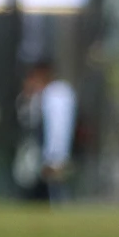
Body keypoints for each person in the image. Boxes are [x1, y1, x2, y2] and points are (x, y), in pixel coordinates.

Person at [12, 59, 76, 204]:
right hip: (41, 149)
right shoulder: (39, 96)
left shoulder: (57, 95)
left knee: (54, 185)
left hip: (53, 152)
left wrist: (55, 156)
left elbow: (59, 127)